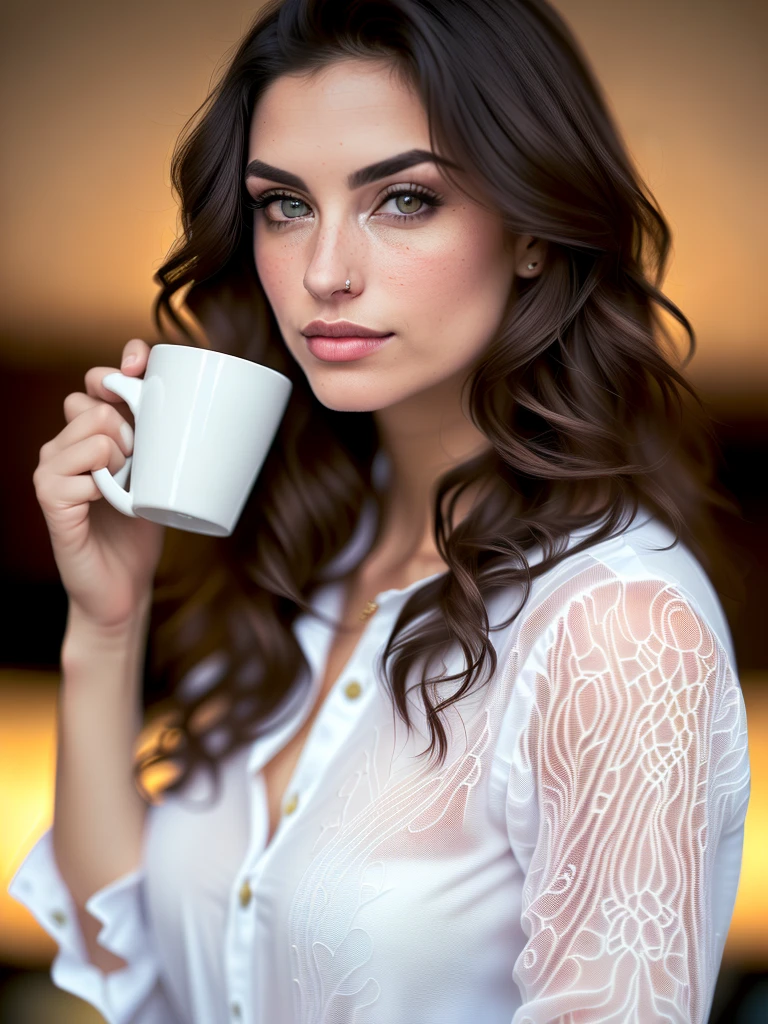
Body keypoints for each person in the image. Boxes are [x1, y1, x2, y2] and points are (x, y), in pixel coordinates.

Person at [8, 1, 751, 1022]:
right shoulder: (307, 556)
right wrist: (107, 623)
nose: (323, 273)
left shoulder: (619, 629)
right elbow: (133, 968)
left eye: (403, 199)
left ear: (534, 228)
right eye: (284, 205)